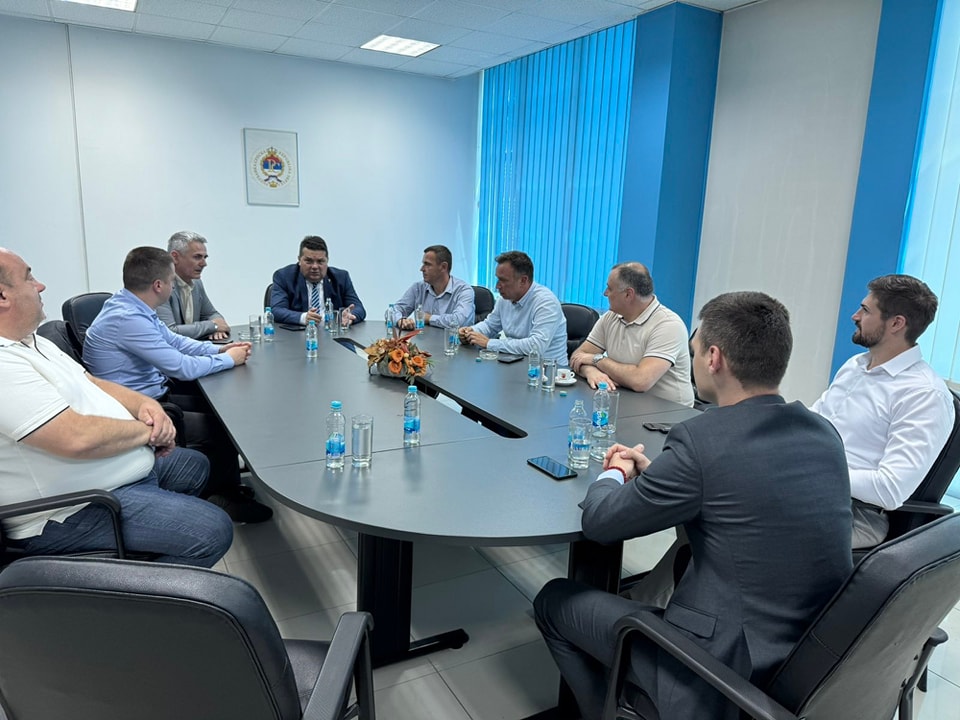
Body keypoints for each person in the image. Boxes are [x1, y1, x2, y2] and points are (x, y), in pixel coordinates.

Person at [534, 291, 852, 720]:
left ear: (714, 358)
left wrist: (614, 473)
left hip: (718, 668)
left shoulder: (703, 439)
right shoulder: (823, 434)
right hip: (811, 658)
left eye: (696, 350)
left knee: (553, 600)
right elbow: (744, 498)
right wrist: (661, 477)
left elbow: (600, 522)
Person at [0, 248, 232, 566]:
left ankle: (153, 541)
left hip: (111, 472)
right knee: (213, 531)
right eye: (29, 278)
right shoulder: (4, 363)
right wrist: (150, 432)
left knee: (193, 465)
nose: (40, 285)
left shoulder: (32, 341)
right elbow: (76, 437)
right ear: (2, 296)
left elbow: (91, 381)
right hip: (69, 510)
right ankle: (142, 592)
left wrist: (146, 405)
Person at [84, 246, 272, 524]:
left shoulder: (132, 305)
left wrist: (219, 350)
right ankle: (222, 496)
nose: (174, 286)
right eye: (172, 280)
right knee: (220, 426)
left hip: (152, 394)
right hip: (136, 410)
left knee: (222, 408)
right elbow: (181, 367)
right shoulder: (128, 319)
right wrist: (229, 360)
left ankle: (226, 484)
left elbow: (175, 341)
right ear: (158, 285)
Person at [812, 274, 954, 549]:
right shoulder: (856, 365)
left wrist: (815, 471)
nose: (855, 316)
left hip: (856, 514)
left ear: (896, 323)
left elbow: (890, 489)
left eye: (866, 311)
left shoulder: (924, 395)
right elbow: (816, 420)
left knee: (748, 522)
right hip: (811, 490)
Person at [570, 262, 694, 406]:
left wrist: (597, 359)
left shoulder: (668, 325)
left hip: (670, 412)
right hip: (627, 403)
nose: (605, 293)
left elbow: (640, 381)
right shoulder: (611, 317)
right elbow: (578, 356)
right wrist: (591, 372)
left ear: (628, 294)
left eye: (610, 288)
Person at [459, 251, 567, 362]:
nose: (497, 286)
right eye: (498, 279)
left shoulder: (546, 303)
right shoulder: (505, 298)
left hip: (547, 368)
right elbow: (490, 325)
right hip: (515, 362)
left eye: (503, 280)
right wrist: (471, 332)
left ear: (523, 280)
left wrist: (489, 343)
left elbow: (536, 346)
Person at [270, 236, 365, 326]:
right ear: (299, 260)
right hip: (296, 334)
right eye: (309, 261)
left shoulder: (341, 278)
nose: (315, 266)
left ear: (327, 261)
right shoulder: (284, 277)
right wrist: (303, 318)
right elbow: (276, 310)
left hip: (332, 333)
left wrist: (349, 316)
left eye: (320, 261)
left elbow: (359, 308)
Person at [156, 231, 230, 340]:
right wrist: (212, 326)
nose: (204, 264)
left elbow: (212, 314)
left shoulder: (196, 283)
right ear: (175, 257)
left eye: (205, 257)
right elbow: (169, 332)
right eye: (197, 257)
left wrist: (217, 327)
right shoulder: (160, 285)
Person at [394, 245, 475, 329]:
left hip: (452, 338)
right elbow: (393, 311)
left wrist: (429, 318)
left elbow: (458, 321)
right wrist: (400, 320)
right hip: (424, 337)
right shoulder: (418, 288)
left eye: (427, 264)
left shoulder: (464, 291)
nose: (422, 269)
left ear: (443, 267)